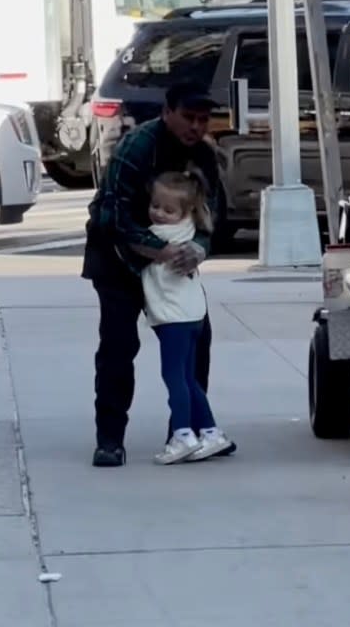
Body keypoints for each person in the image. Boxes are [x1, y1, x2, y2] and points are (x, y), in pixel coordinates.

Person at [82, 80, 236, 467]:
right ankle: (110, 440)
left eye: (204, 120)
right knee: (118, 347)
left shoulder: (202, 155)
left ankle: (187, 432)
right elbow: (110, 215)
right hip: (120, 262)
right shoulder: (138, 146)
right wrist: (155, 247)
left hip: (173, 269)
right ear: (167, 112)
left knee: (195, 343)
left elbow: (212, 215)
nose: (196, 127)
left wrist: (199, 248)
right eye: (188, 117)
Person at [141, 172, 232, 464]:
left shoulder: (160, 237)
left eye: (168, 210)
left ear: (185, 212)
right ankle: (210, 431)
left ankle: (181, 434)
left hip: (173, 319)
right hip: (193, 315)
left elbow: (130, 239)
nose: (159, 213)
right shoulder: (189, 232)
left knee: (173, 377)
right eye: (155, 205)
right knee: (189, 379)